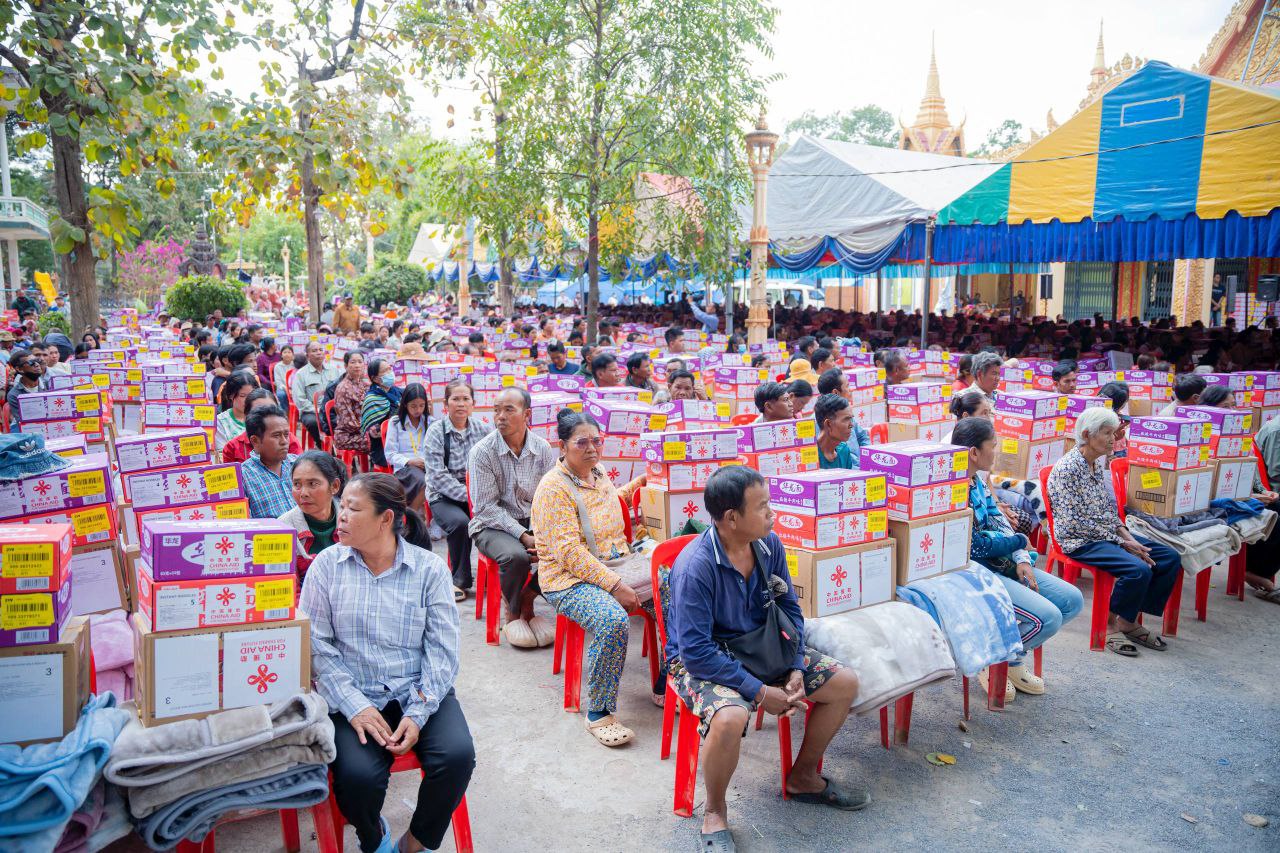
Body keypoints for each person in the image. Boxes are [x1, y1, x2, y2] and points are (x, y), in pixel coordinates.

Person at [666, 466, 865, 851]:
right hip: (704, 661)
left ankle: (803, 777)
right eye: (762, 506)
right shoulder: (696, 567)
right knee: (730, 718)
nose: (772, 513)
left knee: (844, 683)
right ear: (731, 518)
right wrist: (759, 691)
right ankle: (715, 811)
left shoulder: (769, 545)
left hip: (763, 646)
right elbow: (696, 653)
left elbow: (790, 608)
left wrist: (796, 666)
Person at [301, 473, 474, 853]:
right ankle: (372, 837)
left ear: (386, 519)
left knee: (457, 757)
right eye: (342, 506)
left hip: (417, 687)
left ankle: (413, 843)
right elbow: (317, 648)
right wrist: (355, 706)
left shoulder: (429, 569)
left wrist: (419, 711)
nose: (341, 516)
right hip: (352, 692)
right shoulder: (325, 567)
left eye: (353, 508)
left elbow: (442, 650)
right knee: (357, 778)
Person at [530, 410, 660, 747]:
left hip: (616, 563)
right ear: (562, 446)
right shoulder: (553, 488)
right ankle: (599, 712)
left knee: (677, 587)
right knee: (612, 619)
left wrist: (641, 483)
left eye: (596, 441)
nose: (592, 448)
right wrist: (616, 586)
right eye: (582, 442)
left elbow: (609, 503)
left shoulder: (597, 473)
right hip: (568, 579)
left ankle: (668, 681)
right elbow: (569, 553)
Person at [951, 417, 1083, 697]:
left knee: (1072, 600)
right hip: (975, 572)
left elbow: (999, 521)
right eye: (993, 446)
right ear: (974, 452)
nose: (996, 452)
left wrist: (1021, 556)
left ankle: (1008, 660)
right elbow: (975, 548)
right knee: (1048, 618)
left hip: (1003, 563)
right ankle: (993, 658)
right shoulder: (953, 488)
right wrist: (1019, 541)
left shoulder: (977, 481)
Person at [1045, 407, 1181, 657]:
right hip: (1079, 540)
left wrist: (1127, 537)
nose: (1113, 439)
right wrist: (1122, 542)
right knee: (1137, 569)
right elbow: (1074, 523)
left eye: (1114, 433)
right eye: (1107, 433)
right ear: (1087, 435)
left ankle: (1128, 619)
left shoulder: (1095, 464)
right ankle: (1110, 625)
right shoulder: (1068, 469)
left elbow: (1107, 509)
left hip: (1104, 534)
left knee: (1169, 558)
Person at [468, 387, 558, 648]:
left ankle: (528, 597)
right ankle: (514, 611)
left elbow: (548, 496)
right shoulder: (482, 451)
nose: (501, 416)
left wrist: (539, 532)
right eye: (497, 410)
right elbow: (485, 507)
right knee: (515, 556)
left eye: (509, 410)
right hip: (491, 525)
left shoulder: (542, 448)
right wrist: (523, 536)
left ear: (527, 414)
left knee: (566, 548)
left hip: (532, 520)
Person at [425, 379, 492, 599]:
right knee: (460, 523)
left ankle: (492, 575)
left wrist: (481, 495)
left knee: (498, 519)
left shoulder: (483, 430)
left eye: (466, 399)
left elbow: (492, 465)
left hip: (477, 492)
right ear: (446, 404)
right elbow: (437, 475)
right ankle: (460, 580)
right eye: (455, 399)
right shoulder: (436, 432)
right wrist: (468, 496)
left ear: (473, 404)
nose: (461, 404)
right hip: (443, 495)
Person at [279, 449, 346, 578]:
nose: (303, 493)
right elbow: (287, 582)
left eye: (313, 484)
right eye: (297, 484)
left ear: (334, 486)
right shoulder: (283, 527)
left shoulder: (351, 520)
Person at [241, 405, 299, 519]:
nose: (284, 441)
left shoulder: (299, 464)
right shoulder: (243, 476)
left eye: (286, 435)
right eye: (276, 436)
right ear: (255, 441)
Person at [1246, 411, 1280, 603]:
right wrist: (1261, 493)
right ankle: (1257, 572)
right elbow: (1276, 473)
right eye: (1227, 406)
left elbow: (1257, 481)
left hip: (1263, 491)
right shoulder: (1277, 430)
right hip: (1270, 489)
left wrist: (1262, 491)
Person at [222, 388, 302, 463]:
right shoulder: (232, 448)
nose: (266, 416)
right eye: (259, 412)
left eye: (272, 410)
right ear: (246, 416)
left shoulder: (289, 440)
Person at [386, 383, 431, 512]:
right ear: (405, 404)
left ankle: (414, 515)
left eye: (421, 405)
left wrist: (425, 462)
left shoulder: (430, 422)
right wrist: (409, 461)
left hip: (426, 466)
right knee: (425, 482)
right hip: (404, 468)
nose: (418, 410)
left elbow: (435, 449)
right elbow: (390, 454)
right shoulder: (396, 422)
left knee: (436, 480)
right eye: (413, 406)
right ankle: (412, 513)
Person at [292, 341, 342, 448]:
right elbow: (300, 401)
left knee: (344, 419)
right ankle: (323, 446)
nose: (319, 353)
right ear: (307, 355)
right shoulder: (301, 374)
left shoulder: (333, 370)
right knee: (314, 422)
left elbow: (340, 391)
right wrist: (319, 409)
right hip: (312, 411)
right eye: (314, 351)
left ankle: (340, 446)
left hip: (332, 409)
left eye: (320, 350)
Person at [360, 358, 403, 469]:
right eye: (385, 371)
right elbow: (375, 433)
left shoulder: (396, 391)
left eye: (390, 369)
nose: (390, 373)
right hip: (383, 447)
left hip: (402, 440)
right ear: (375, 378)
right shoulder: (372, 399)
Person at [333, 351, 372, 460]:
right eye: (353, 362)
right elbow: (348, 423)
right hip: (347, 436)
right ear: (346, 366)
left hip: (363, 431)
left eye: (360, 362)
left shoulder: (363, 384)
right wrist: (370, 430)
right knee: (378, 440)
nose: (357, 365)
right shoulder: (343, 388)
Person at [814, 393, 869, 469]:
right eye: (846, 419)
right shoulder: (810, 457)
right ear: (828, 424)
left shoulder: (844, 450)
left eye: (851, 419)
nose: (851, 425)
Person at [215, 370, 260, 456]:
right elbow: (223, 455)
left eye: (251, 395)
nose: (248, 400)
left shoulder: (262, 417)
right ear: (231, 396)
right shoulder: (221, 422)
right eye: (243, 396)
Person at [6, 351, 48, 428]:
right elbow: (23, 423)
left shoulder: (49, 385)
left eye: (37, 361)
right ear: (19, 369)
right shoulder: (14, 395)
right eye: (31, 362)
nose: (37, 364)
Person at [273, 344, 295, 410]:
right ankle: (285, 411)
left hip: (294, 388)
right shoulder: (277, 366)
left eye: (289, 352)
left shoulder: (295, 365)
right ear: (281, 355)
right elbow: (278, 382)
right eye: (285, 352)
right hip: (282, 388)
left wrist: (293, 389)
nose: (287, 354)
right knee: (281, 395)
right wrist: (286, 389)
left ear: (293, 355)